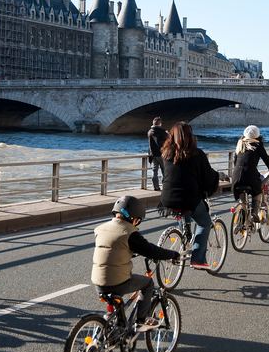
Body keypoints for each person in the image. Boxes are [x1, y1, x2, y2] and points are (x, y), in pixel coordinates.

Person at [91, 195, 180, 332]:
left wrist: (128, 252)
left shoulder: (100, 229)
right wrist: (172, 254)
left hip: (98, 282)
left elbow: (112, 248)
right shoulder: (129, 232)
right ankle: (141, 320)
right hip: (117, 283)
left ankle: (115, 323)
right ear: (134, 218)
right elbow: (151, 250)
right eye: (138, 220)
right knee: (147, 284)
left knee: (115, 295)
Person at [160, 121, 220, 270]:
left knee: (183, 212)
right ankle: (198, 259)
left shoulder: (165, 153)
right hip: (188, 198)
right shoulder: (197, 153)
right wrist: (217, 178)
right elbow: (207, 176)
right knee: (204, 222)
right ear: (190, 136)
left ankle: (185, 237)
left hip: (167, 197)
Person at [232, 126, 269, 219]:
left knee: (243, 201)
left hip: (236, 177)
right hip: (250, 176)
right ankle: (254, 212)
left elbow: (235, 161)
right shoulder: (257, 145)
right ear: (257, 135)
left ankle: (242, 218)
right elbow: (267, 160)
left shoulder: (240, 143)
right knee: (257, 192)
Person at [147, 117, 168, 191]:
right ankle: (165, 187)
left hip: (152, 155)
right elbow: (168, 141)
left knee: (154, 171)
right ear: (160, 123)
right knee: (164, 171)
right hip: (161, 154)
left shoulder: (149, 132)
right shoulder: (162, 131)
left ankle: (155, 187)